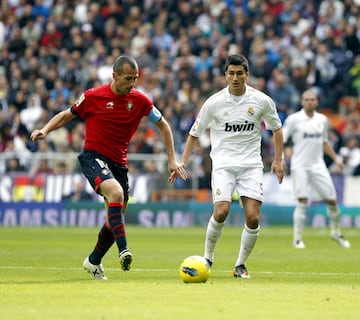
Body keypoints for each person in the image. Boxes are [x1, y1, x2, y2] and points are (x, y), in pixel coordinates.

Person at [30, 55, 187, 280]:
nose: (132, 84)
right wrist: (45, 130)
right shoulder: (94, 96)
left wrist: (172, 159)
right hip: (93, 156)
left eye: (135, 79)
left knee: (115, 217)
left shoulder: (141, 100)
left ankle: (93, 261)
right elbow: (67, 116)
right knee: (115, 193)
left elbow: (164, 125)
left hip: (119, 164)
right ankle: (124, 250)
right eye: (127, 79)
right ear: (114, 76)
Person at [179, 54, 284, 278]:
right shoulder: (214, 103)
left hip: (251, 166)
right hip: (223, 165)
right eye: (231, 73)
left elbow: (277, 129)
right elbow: (194, 134)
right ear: (225, 75)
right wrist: (182, 162)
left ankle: (240, 264)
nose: (235, 78)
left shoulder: (261, 100)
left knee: (253, 217)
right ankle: (207, 258)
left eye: (239, 73)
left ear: (247, 74)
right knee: (221, 211)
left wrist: (278, 159)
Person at [282, 89, 350, 249]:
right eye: (306, 99)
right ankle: (297, 239)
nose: (310, 102)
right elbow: (282, 138)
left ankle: (336, 232)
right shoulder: (294, 119)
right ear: (302, 101)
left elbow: (325, 142)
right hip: (300, 166)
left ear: (317, 102)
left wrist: (336, 159)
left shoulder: (322, 120)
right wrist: (282, 157)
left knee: (332, 201)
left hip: (318, 165)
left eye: (312, 99)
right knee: (303, 202)